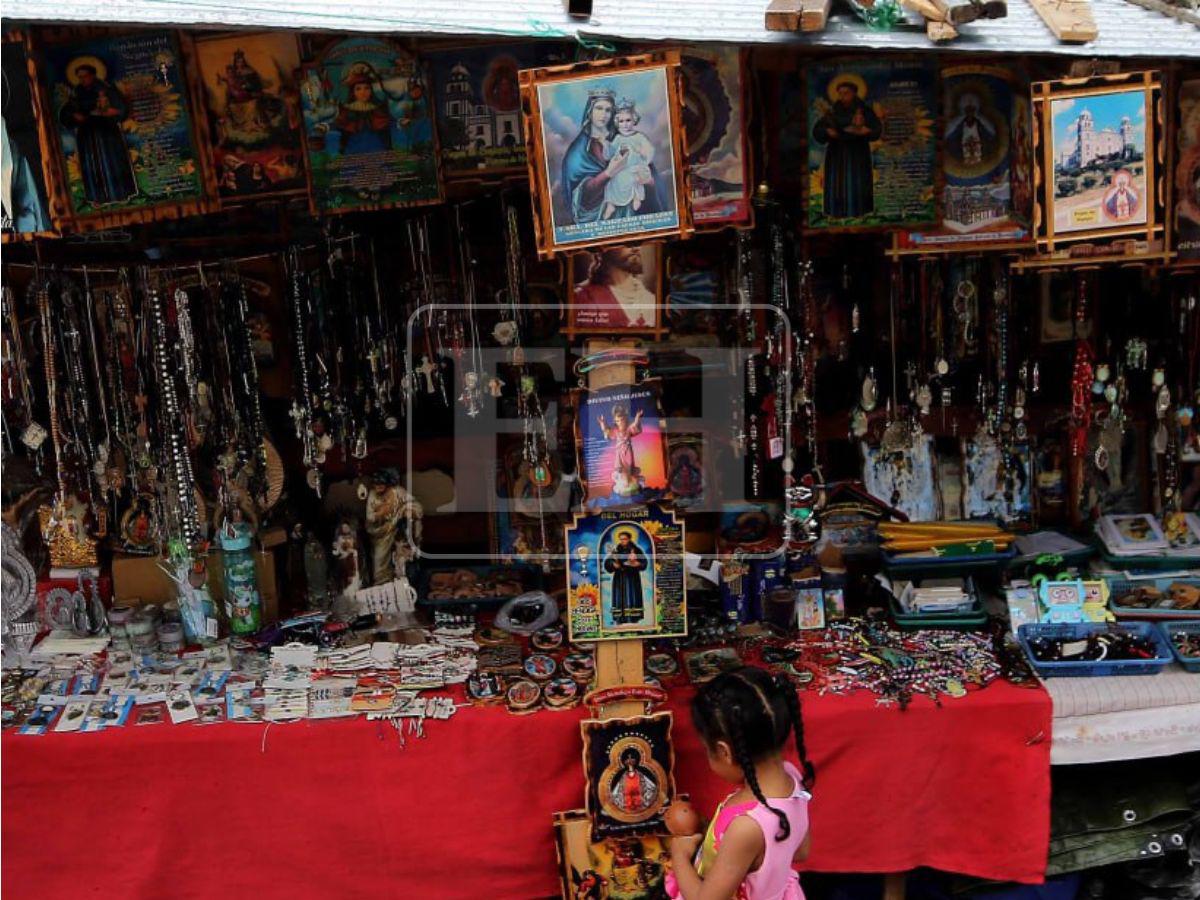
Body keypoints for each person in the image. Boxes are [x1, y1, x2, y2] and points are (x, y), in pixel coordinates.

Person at [668, 666, 815, 900]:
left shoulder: (746, 826)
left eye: (707, 750)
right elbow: (800, 850)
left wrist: (679, 856)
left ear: (724, 752)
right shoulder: (792, 777)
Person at [58, 62, 137, 205]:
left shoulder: (106, 89)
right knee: (91, 164)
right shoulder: (77, 93)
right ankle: (97, 197)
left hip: (107, 133)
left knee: (113, 161)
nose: (82, 79)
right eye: (79, 77)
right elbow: (66, 113)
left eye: (85, 76)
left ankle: (121, 194)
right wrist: (75, 116)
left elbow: (122, 108)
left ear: (93, 75)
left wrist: (113, 112)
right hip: (88, 135)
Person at [809, 79, 881, 219]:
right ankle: (836, 213)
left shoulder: (864, 110)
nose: (842, 96)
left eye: (846, 93)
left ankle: (860, 213)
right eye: (840, 93)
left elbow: (876, 129)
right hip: (837, 154)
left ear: (854, 93)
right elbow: (818, 129)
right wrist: (827, 132)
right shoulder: (832, 111)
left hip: (857, 153)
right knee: (838, 184)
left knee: (857, 182)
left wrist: (867, 131)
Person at [573, 246, 656, 329]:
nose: (636, 248)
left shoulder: (650, 298)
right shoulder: (582, 297)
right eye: (627, 242)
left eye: (639, 242)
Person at [603, 99, 655, 218]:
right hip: (621, 167)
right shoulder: (618, 138)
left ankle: (636, 197)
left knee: (634, 177)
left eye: (628, 120)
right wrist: (607, 146)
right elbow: (610, 154)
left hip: (635, 167)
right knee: (612, 180)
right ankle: (610, 204)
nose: (625, 124)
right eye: (621, 121)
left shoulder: (639, 137)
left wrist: (643, 152)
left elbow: (649, 150)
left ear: (634, 120)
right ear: (617, 123)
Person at [334, 67, 391, 155]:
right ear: (353, 92)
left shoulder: (377, 108)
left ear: (371, 90)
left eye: (367, 88)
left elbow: (388, 121)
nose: (363, 92)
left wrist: (401, 121)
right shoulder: (347, 109)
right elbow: (339, 123)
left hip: (377, 147)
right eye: (358, 89)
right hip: (354, 148)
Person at [597, 404, 646, 495]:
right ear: (616, 422)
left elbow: (635, 424)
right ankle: (624, 483)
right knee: (621, 471)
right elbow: (606, 430)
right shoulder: (615, 431)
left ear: (626, 419)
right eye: (617, 421)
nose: (620, 422)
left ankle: (633, 481)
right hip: (619, 454)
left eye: (622, 420)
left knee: (629, 470)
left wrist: (638, 416)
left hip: (628, 452)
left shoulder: (628, 429)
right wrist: (602, 423)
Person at [603, 528, 647, 625]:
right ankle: (620, 619)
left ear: (630, 539)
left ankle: (633, 619)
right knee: (619, 598)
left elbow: (644, 563)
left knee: (632, 597)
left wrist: (637, 563)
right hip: (619, 578)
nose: (623, 541)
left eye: (625, 539)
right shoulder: (616, 550)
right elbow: (608, 562)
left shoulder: (636, 550)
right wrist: (613, 564)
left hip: (632, 578)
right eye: (621, 539)